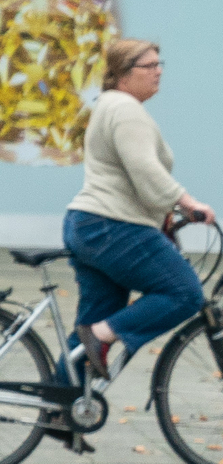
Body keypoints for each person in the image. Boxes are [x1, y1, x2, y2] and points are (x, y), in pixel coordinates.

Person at [63, 38, 211, 385]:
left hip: (90, 225)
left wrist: (166, 214)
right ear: (122, 75)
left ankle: (59, 407)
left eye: (160, 64)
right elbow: (144, 168)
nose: (159, 72)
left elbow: (129, 175)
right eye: (149, 66)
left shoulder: (109, 105)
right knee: (184, 293)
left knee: (95, 319)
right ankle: (100, 337)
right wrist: (187, 202)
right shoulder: (126, 109)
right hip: (113, 227)